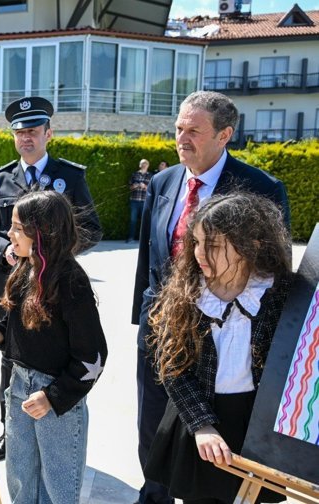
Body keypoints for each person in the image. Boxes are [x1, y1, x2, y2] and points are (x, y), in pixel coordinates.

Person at [131, 91, 290, 504]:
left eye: (193, 131)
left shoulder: (260, 188)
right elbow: (151, 253)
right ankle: (155, 496)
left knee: (213, 436)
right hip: (162, 325)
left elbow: (274, 267)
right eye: (179, 128)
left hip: (222, 337)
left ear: (224, 135)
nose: (181, 138)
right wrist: (141, 315)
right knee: (154, 426)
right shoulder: (164, 181)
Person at [0, 96, 102, 462]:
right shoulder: (1, 179)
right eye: (19, 132)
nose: (26, 138)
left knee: (52, 356)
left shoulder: (70, 176)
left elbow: (91, 229)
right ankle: (9, 431)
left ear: (49, 133)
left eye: (33, 131)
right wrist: (7, 249)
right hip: (11, 288)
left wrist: (52, 254)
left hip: (54, 288)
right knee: (10, 361)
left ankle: (54, 425)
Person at [0, 190, 108, 503]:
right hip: (18, 389)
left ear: (41, 232)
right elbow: (11, 335)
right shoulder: (22, 272)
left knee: (58, 489)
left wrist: (53, 397)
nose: (9, 234)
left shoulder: (71, 281)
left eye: (17, 227)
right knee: (21, 482)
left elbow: (93, 356)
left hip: (56, 401)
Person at [144, 192, 291, 504]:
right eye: (195, 242)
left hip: (252, 424)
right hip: (200, 419)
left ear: (251, 245)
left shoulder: (278, 293)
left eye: (212, 245)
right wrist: (202, 424)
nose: (199, 253)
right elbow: (172, 368)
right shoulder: (187, 291)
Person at [127, 159, 152, 243]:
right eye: (142, 163)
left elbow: (152, 189)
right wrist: (135, 186)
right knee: (133, 220)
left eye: (145, 163)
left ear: (148, 165)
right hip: (134, 200)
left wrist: (145, 186)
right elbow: (129, 187)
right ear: (139, 165)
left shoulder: (150, 176)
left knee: (144, 221)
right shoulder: (134, 174)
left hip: (145, 201)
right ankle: (131, 238)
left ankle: (143, 240)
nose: (144, 165)